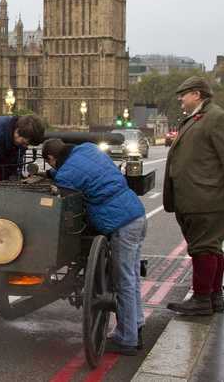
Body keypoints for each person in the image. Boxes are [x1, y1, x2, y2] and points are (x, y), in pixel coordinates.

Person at [164, 76, 224, 316]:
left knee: (203, 248)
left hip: (208, 196)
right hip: (199, 195)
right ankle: (214, 296)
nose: (180, 99)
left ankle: (201, 299)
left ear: (197, 94)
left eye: (184, 94)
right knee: (212, 248)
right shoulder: (199, 117)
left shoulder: (217, 117)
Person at [42, 138, 147, 355]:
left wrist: (53, 181)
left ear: (52, 159)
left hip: (121, 223)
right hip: (136, 213)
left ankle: (128, 340)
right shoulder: (87, 149)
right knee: (132, 276)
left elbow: (64, 193)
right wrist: (55, 175)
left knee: (123, 281)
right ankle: (135, 325)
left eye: (50, 164)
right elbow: (85, 173)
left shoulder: (66, 175)